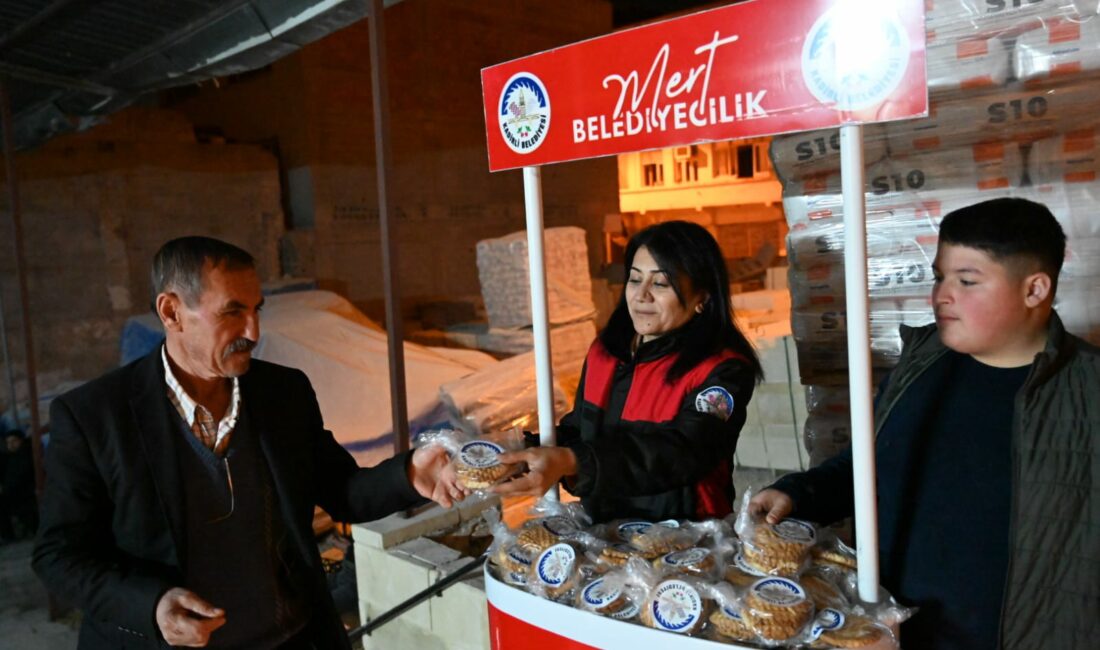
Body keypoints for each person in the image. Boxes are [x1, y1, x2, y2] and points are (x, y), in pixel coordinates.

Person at [33, 236, 463, 650]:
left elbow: (343, 491)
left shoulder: (283, 393)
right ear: (172, 312)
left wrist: (409, 474)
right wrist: (151, 606)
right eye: (232, 312)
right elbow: (59, 556)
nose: (254, 331)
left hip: (290, 639)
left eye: (256, 309)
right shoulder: (95, 417)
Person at [750, 198, 1099, 650]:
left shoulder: (1086, 392)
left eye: (967, 281)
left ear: (1034, 290)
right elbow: (870, 465)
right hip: (895, 635)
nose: (941, 295)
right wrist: (799, 494)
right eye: (939, 277)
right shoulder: (922, 363)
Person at [494, 220, 763, 523]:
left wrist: (572, 461)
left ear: (702, 298)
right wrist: (515, 453)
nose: (641, 296)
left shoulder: (720, 370)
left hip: (685, 539)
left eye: (660, 284)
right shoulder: (606, 352)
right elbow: (580, 430)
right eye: (635, 280)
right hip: (607, 531)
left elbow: (684, 452)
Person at [0, 426, 38, 542]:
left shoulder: (26, 454)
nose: (10, 445)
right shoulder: (9, 457)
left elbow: (20, 477)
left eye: (14, 441)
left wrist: (4, 489)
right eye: (8, 443)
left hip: (24, 493)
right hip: (13, 491)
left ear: (21, 441)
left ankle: (8, 536)